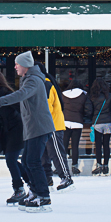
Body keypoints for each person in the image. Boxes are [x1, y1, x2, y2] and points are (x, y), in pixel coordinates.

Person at [0, 51, 55, 212]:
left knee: (33, 161)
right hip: (32, 128)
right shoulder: (27, 79)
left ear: (25, 65)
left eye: (17, 64)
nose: (15, 67)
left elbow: (20, 95)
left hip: (39, 127)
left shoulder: (34, 81)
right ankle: (35, 192)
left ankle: (43, 196)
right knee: (27, 161)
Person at [0, 71, 27, 204]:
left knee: (10, 159)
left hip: (16, 129)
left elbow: (21, 109)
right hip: (4, 132)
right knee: (11, 160)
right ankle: (31, 182)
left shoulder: (6, 94)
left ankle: (19, 188)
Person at [37, 64, 74, 192]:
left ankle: (66, 177)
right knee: (44, 154)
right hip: (45, 125)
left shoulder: (46, 85)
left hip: (52, 125)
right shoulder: (44, 84)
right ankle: (47, 179)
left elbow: (46, 107)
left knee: (56, 153)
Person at [88, 77, 111, 176]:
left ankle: (98, 165)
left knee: (98, 145)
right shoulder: (109, 96)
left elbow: (89, 109)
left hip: (97, 122)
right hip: (108, 122)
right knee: (106, 145)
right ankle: (106, 166)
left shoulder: (92, 97)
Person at [61, 79, 93, 176]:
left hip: (65, 121)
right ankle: (75, 166)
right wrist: (85, 116)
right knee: (75, 145)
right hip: (77, 122)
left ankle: (62, 166)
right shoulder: (83, 95)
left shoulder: (63, 94)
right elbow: (88, 109)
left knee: (64, 145)